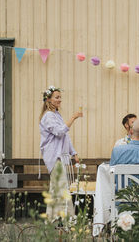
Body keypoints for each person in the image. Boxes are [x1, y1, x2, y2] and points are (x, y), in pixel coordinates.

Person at [39, 86, 82, 220]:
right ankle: (62, 217)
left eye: (60, 97)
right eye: (57, 97)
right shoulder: (48, 116)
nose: (60, 100)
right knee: (59, 187)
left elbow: (65, 137)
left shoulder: (56, 115)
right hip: (54, 155)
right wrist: (73, 118)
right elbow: (59, 132)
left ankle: (60, 217)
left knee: (60, 187)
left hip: (61, 156)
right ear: (49, 99)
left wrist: (73, 152)